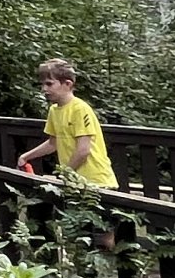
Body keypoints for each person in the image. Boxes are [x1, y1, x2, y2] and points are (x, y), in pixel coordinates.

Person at [18, 58, 119, 188]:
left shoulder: (80, 109)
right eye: (42, 84)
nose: (44, 89)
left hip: (96, 182)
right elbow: (53, 143)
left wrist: (64, 174)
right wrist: (26, 157)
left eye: (49, 84)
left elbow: (83, 150)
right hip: (74, 181)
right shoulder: (54, 110)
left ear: (68, 84)